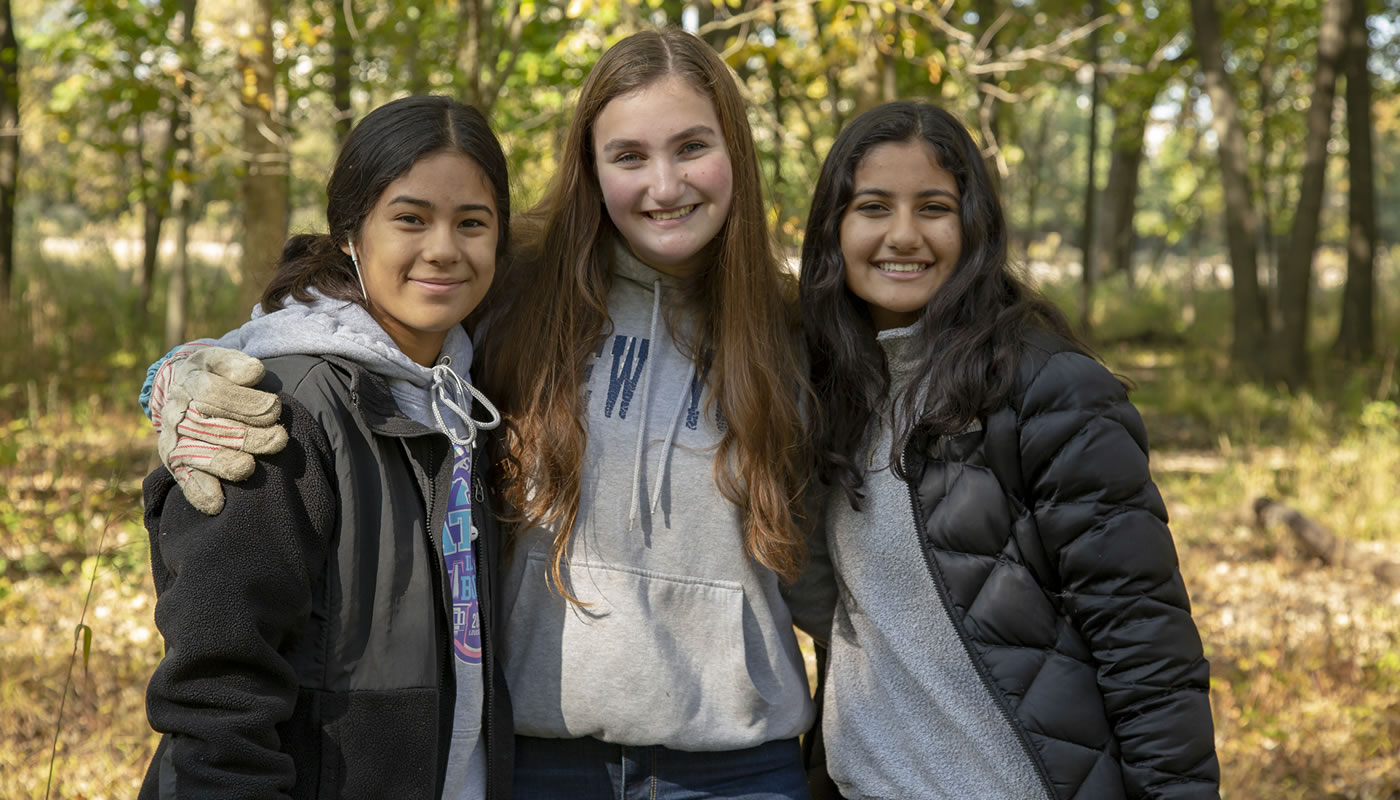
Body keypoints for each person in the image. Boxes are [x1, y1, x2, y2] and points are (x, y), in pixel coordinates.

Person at [139, 30, 817, 799]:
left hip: (737, 764)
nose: (664, 185)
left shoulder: (795, 326)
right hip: (535, 758)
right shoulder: (518, 292)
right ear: (591, 171)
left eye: (691, 147)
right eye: (628, 156)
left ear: (737, 151)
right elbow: (347, 324)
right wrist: (184, 373)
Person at [795, 99, 1220, 799]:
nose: (903, 235)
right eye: (872, 206)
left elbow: (1145, 647)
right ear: (833, 228)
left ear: (974, 225)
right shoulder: (827, 393)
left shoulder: (1051, 392)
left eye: (933, 207)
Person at [139, 95, 515, 799]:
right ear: (349, 232)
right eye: (409, 218)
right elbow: (219, 685)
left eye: (472, 223)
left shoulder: (467, 396)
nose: (443, 248)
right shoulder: (277, 406)